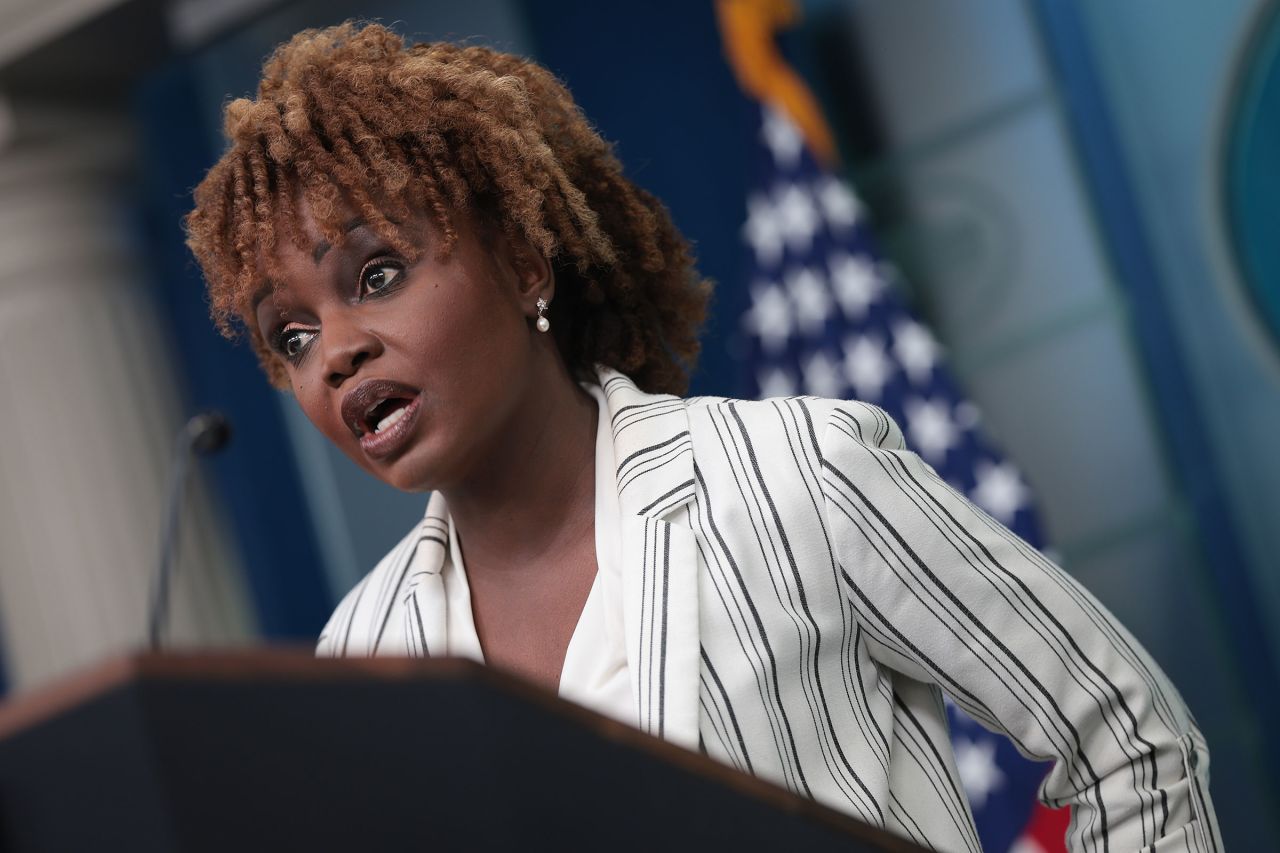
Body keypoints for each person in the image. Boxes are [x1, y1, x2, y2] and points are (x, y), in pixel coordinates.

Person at [184, 21, 1222, 853]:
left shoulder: (794, 479)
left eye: (375, 276)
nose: (337, 352)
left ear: (522, 261)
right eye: (292, 334)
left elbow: (1127, 743)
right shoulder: (360, 658)